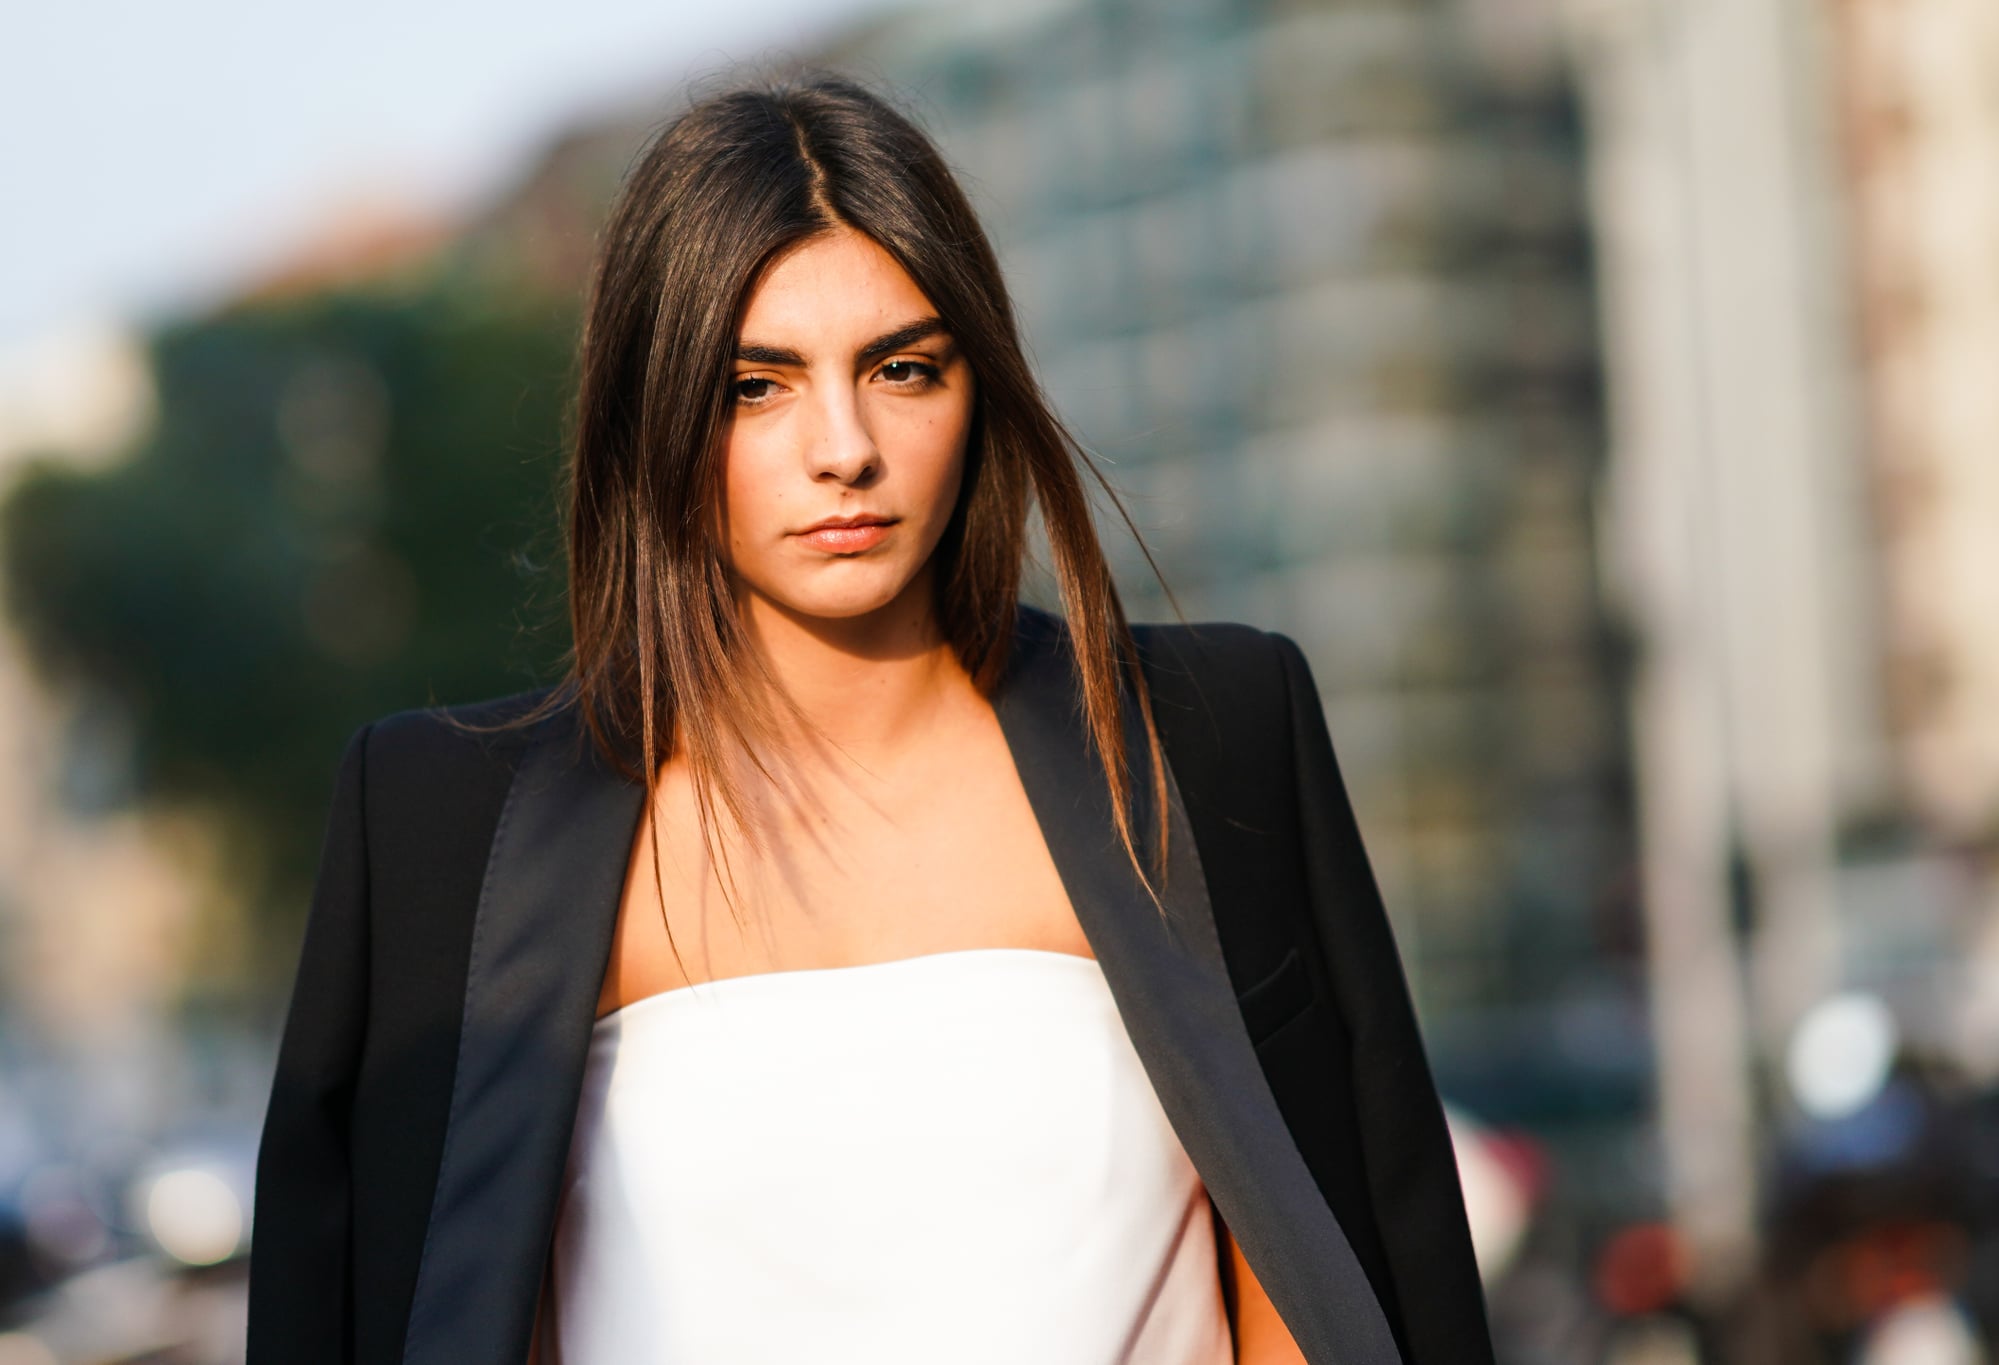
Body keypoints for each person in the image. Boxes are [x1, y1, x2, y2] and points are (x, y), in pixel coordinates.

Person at [244, 67, 1494, 1365]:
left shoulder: (1213, 737)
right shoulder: (441, 826)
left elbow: (1335, 1256)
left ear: (979, 382)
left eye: (901, 367)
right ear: (653, 408)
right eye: (757, 384)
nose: (844, 445)